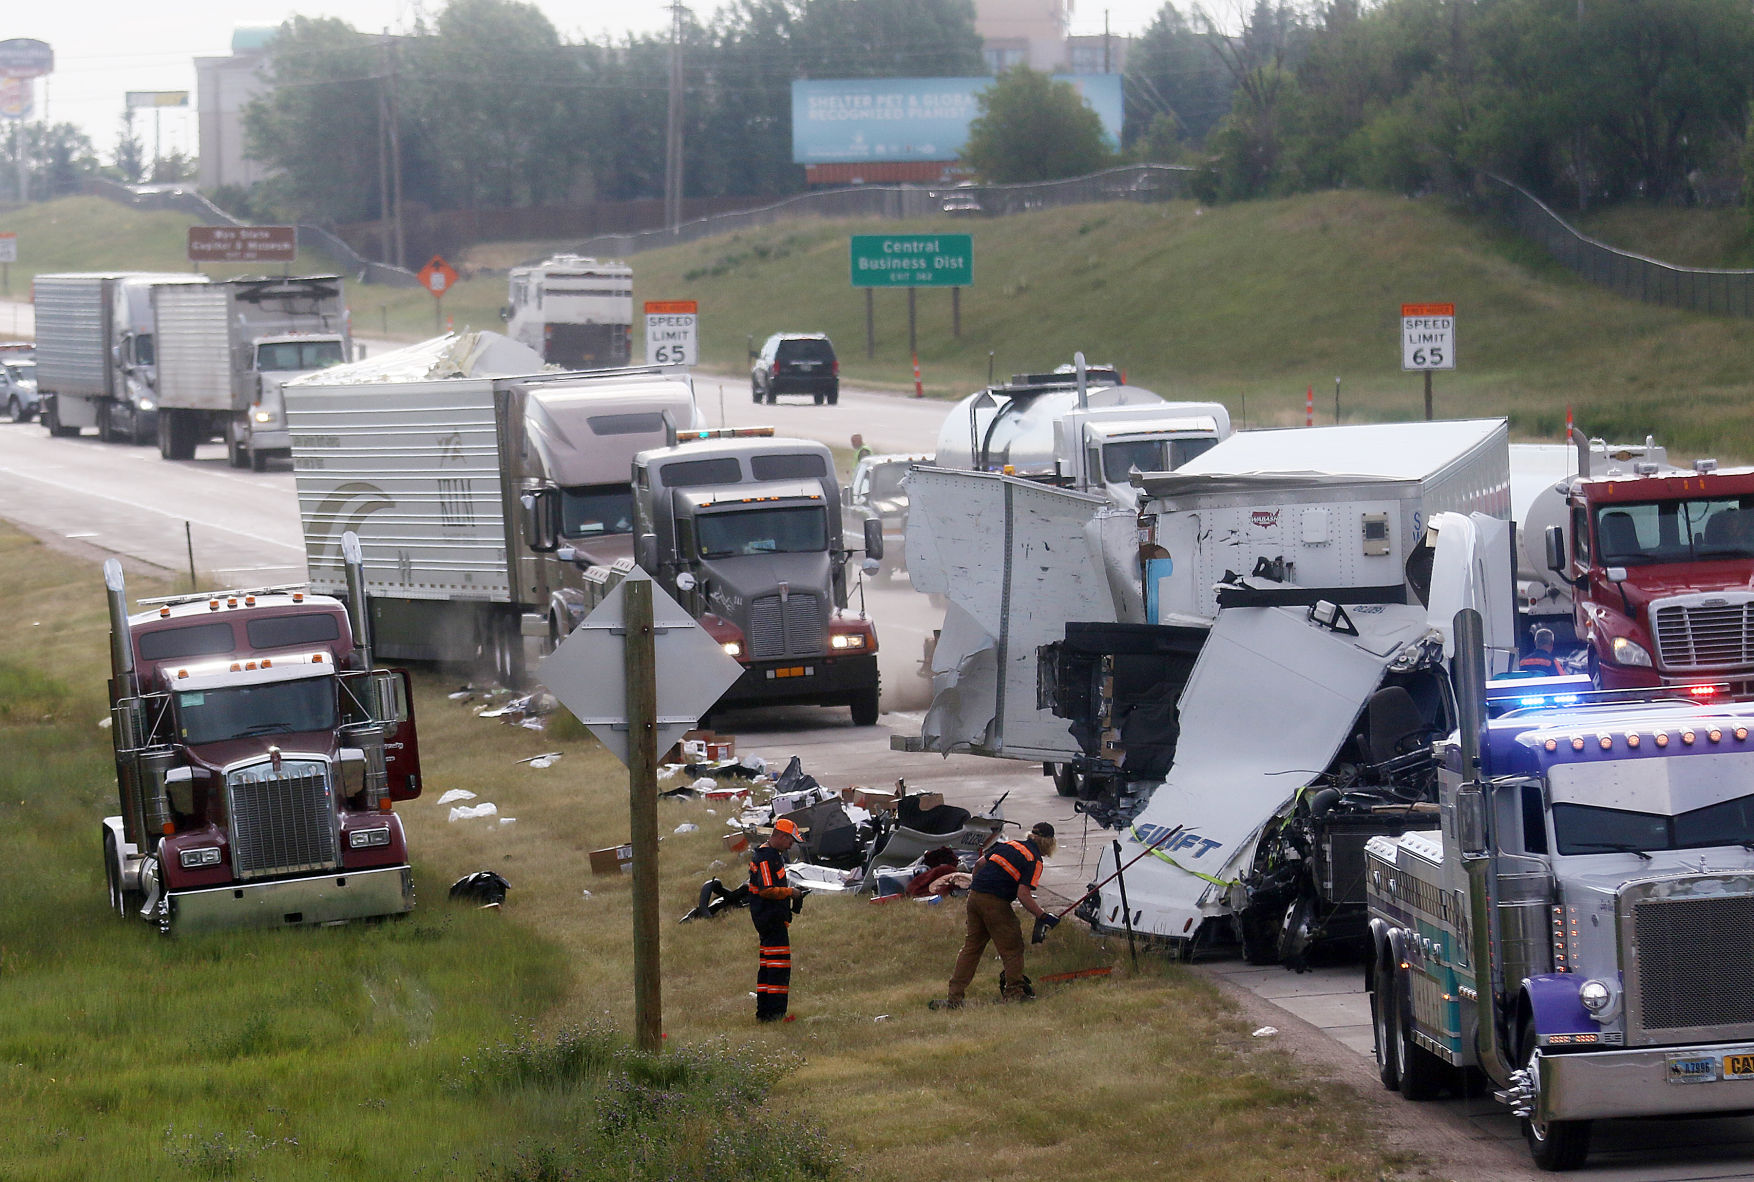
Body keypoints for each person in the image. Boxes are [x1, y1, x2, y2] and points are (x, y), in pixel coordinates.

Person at [931, 822, 1057, 1010]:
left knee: (971, 948)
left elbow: (979, 864)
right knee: (1013, 947)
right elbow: (1023, 894)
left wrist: (977, 886)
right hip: (995, 902)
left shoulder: (1011, 845)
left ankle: (954, 998)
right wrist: (1043, 916)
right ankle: (1014, 994)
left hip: (975, 897)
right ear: (1048, 842)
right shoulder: (1033, 860)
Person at [749, 816, 807, 1023]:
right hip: (770, 920)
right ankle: (774, 1013)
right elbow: (766, 890)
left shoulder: (773, 856)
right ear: (781, 836)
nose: (792, 845)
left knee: (768, 966)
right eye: (791, 840)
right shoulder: (767, 858)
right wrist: (791, 892)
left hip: (772, 918)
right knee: (778, 967)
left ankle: (765, 1014)